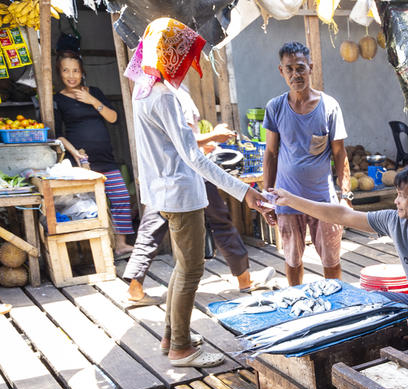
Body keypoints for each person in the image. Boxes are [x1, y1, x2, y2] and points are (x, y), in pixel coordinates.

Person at [124, 17, 268, 368]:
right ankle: (182, 348)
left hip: (163, 193)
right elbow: (193, 157)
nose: (187, 64)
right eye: (183, 56)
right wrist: (243, 192)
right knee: (191, 271)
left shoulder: (142, 91)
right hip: (181, 194)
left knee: (181, 267)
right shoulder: (164, 98)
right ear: (170, 56)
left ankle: (172, 335)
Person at [271, 161, 408, 346]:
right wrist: (291, 200)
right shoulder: (396, 220)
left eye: (402, 196)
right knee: (367, 300)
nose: (396, 201)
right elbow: (343, 215)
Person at [123, 84, 254, 306]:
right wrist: (213, 135)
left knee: (151, 229)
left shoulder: (150, 92)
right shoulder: (167, 95)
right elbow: (184, 144)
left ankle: (135, 286)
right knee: (216, 227)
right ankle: (245, 279)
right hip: (188, 176)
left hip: (164, 178)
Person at [263, 41, 350, 286]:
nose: (295, 74)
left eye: (300, 68)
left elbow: (340, 153)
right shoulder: (275, 107)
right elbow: (270, 154)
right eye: (289, 69)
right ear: (281, 71)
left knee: (331, 261)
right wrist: (266, 197)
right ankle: (297, 302)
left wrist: (346, 193)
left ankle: (338, 305)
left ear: (310, 68)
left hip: (323, 199)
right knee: (292, 260)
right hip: (286, 198)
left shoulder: (329, 106)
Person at [54, 50, 136, 256]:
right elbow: (57, 135)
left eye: (75, 70)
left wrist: (91, 100)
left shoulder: (95, 92)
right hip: (82, 163)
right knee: (87, 205)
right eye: (66, 70)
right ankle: (96, 251)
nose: (71, 75)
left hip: (106, 159)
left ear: (82, 73)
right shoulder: (58, 100)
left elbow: (113, 118)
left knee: (121, 197)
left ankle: (120, 244)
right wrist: (76, 155)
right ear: (59, 72)